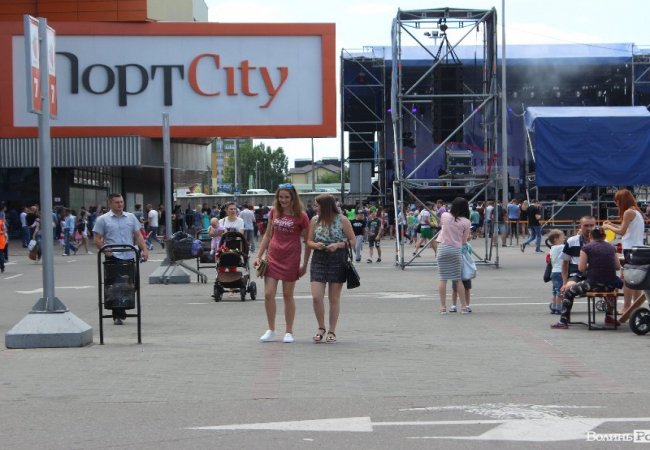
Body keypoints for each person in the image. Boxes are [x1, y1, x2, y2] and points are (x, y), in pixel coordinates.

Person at [254, 185, 311, 343]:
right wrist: (258, 256)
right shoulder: (274, 211)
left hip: (291, 258)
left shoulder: (301, 216)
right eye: (280, 197)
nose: (283, 200)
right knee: (268, 294)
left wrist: (305, 265)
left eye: (286, 197)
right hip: (273, 256)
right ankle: (271, 329)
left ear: (293, 198)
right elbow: (267, 235)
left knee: (287, 295)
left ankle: (289, 331)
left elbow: (307, 241)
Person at [93, 193, 149, 325]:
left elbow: (138, 235)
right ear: (110, 203)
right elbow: (97, 238)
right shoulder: (103, 219)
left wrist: (144, 250)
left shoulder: (130, 217)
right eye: (117, 202)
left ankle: (123, 306)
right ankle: (117, 313)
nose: (120, 204)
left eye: (121, 202)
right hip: (114, 256)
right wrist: (106, 251)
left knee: (132, 284)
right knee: (116, 286)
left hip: (129, 255)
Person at [308, 194, 356, 343]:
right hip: (319, 259)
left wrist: (338, 245)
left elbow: (352, 241)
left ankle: (332, 331)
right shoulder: (314, 220)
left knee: (333, 298)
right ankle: (321, 327)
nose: (315, 208)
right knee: (316, 297)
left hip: (338, 258)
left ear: (326, 206)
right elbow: (308, 241)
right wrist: (315, 245)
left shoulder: (342, 219)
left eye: (317, 205)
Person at [551, 227, 621, 329]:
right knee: (613, 289)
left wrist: (591, 265)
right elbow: (618, 267)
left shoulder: (587, 248)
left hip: (593, 284)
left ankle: (563, 321)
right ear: (605, 236)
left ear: (590, 236)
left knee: (569, 291)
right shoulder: (611, 247)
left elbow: (581, 268)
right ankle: (609, 315)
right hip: (610, 285)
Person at [603, 188, 646, 315]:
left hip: (630, 248)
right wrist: (613, 225)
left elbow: (621, 232)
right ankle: (635, 306)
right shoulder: (636, 211)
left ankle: (626, 307)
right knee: (636, 279)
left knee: (627, 279)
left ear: (622, 201)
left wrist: (607, 226)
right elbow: (626, 230)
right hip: (638, 249)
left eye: (617, 201)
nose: (616, 204)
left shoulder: (628, 212)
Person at [436, 197, 472, 314]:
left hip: (442, 248)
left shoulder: (445, 215)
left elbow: (442, 226)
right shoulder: (466, 222)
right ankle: (463, 307)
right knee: (457, 279)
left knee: (443, 278)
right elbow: (464, 240)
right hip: (456, 250)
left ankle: (443, 307)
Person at [559, 215, 596, 295]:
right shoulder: (572, 241)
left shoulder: (602, 241)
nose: (589, 228)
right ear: (580, 226)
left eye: (591, 225)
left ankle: (610, 303)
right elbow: (565, 263)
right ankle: (567, 304)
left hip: (596, 274)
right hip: (576, 274)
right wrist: (564, 283)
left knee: (613, 286)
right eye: (586, 225)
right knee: (569, 286)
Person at [547, 229, 566, 314]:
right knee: (560, 291)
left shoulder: (552, 248)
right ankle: (559, 308)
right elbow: (568, 247)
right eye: (562, 237)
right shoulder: (561, 247)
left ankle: (554, 307)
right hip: (560, 272)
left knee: (555, 291)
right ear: (556, 239)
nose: (564, 238)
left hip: (554, 271)